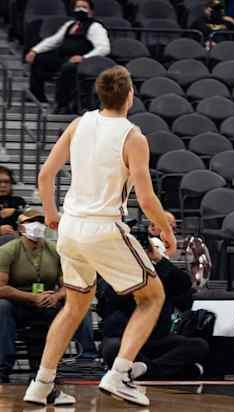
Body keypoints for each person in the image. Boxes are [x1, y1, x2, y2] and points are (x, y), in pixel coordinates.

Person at [24, 66, 176, 407]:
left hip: (71, 227)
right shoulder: (132, 135)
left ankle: (41, 384)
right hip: (103, 227)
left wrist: (50, 214)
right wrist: (165, 230)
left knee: (75, 305)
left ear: (100, 95)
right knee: (152, 297)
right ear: (130, 95)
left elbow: (46, 174)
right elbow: (147, 199)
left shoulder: (80, 123)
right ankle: (120, 374)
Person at [98, 215, 208, 380]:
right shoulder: (113, 268)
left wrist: (158, 259)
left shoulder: (162, 271)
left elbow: (184, 287)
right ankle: (168, 371)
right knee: (113, 349)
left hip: (158, 338)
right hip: (124, 337)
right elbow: (111, 299)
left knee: (199, 346)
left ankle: (146, 371)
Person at [0, 209, 63, 382]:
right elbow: (1, 288)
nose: (37, 226)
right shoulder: (7, 250)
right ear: (20, 228)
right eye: (31, 222)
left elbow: (68, 286)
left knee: (72, 306)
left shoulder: (54, 250)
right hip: (17, 304)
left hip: (47, 302)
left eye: (40, 222)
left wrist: (56, 296)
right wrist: (32, 297)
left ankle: (48, 369)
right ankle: (2, 368)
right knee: (2, 307)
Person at [25, 0, 111, 113]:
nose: (80, 9)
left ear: (91, 11)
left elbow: (104, 48)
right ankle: (37, 96)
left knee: (68, 68)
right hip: (64, 57)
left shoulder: (95, 27)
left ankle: (62, 105)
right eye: (78, 7)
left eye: (84, 7)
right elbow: (54, 40)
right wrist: (34, 50)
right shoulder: (70, 25)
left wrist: (84, 58)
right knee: (39, 59)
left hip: (83, 62)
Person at [0, 166, 26, 236]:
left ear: (11, 183)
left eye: (6, 182)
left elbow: (34, 223)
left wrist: (16, 212)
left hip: (15, 242)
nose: (3, 185)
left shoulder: (19, 201)